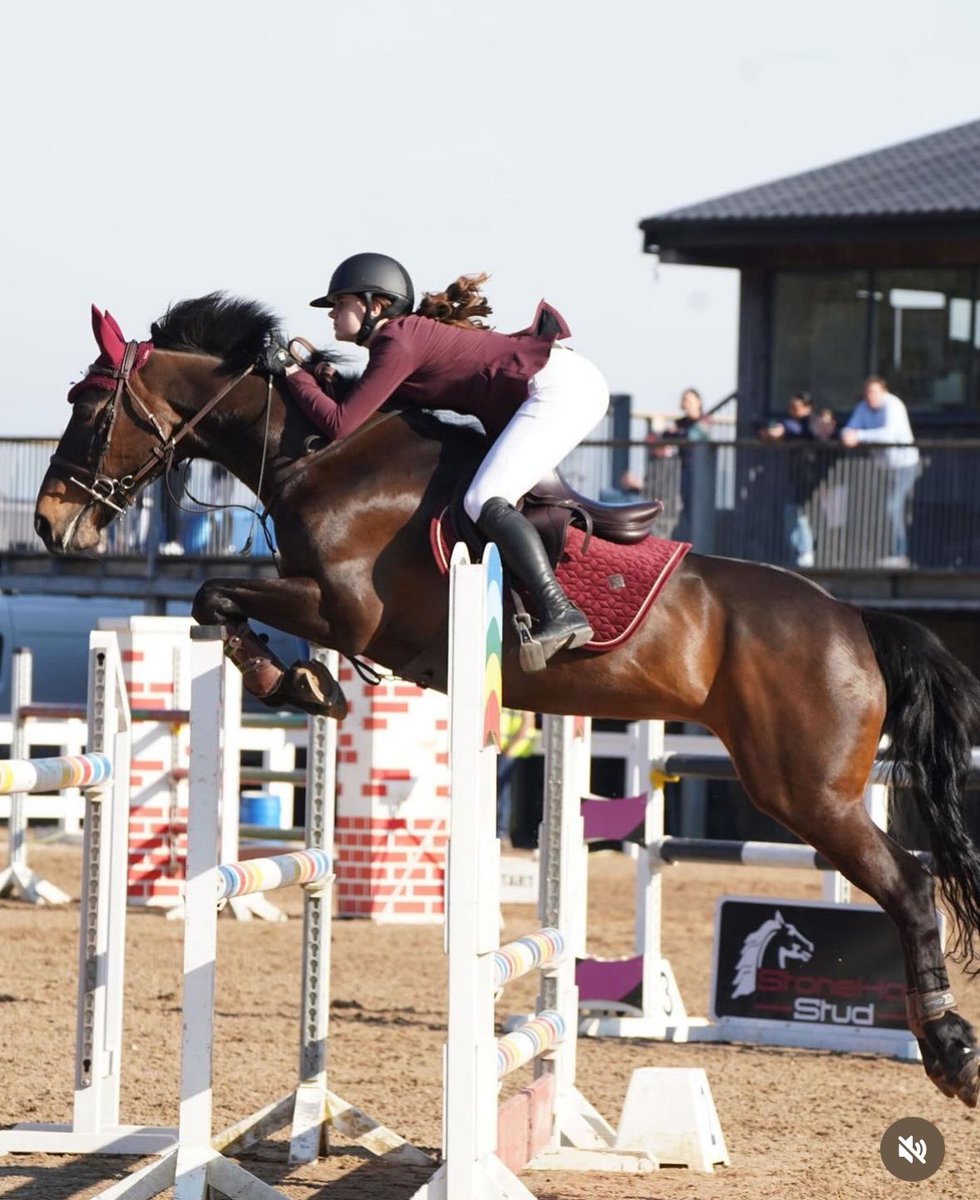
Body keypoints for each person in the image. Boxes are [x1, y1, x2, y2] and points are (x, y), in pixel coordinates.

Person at [269, 253, 610, 670]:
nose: (332, 314)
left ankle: (559, 610)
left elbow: (340, 425)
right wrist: (317, 377)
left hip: (559, 387)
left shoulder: (398, 340)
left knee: (483, 497)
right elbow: (369, 410)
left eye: (340, 303)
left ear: (375, 305)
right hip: (551, 385)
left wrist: (291, 374)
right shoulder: (395, 341)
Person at [840, 376, 919, 567]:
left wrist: (857, 436)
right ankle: (886, 552)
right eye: (867, 392)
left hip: (904, 464)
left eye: (874, 392)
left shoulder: (893, 405)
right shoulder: (863, 407)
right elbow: (848, 429)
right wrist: (848, 435)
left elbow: (888, 434)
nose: (870, 396)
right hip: (883, 467)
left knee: (893, 506)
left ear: (884, 392)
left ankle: (900, 553)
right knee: (882, 509)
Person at [758, 392, 816, 567]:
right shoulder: (791, 422)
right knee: (791, 515)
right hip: (794, 475)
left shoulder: (808, 423)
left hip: (808, 475)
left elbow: (796, 430)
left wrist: (780, 431)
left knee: (798, 515)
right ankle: (797, 553)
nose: (793, 411)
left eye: (797, 407)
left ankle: (805, 552)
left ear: (807, 407)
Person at [660, 388, 710, 541]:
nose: (686, 404)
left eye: (689, 400)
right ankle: (690, 540)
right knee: (687, 506)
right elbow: (665, 435)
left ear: (698, 402)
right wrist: (678, 432)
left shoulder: (704, 420)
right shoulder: (681, 422)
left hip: (701, 471)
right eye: (684, 400)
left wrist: (678, 432)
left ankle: (700, 540)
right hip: (685, 469)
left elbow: (692, 435)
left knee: (699, 507)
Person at [496, 708, 538, 847]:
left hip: (510, 750)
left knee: (502, 793)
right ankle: (502, 833)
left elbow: (527, 723)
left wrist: (509, 748)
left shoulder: (519, 696)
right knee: (504, 793)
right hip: (507, 749)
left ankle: (502, 833)